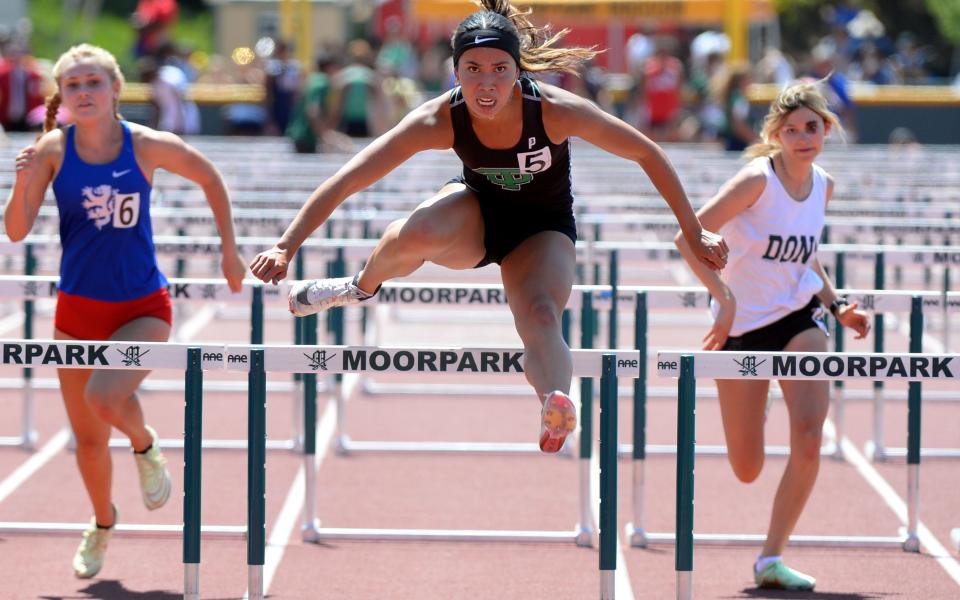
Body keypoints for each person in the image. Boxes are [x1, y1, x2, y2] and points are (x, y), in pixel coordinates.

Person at [250, 0, 727, 454]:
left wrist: (694, 230)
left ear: (518, 71)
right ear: (455, 73)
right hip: (476, 215)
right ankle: (358, 287)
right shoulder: (440, 117)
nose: (486, 85)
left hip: (543, 230)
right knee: (416, 232)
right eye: (472, 70)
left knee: (541, 316)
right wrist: (286, 245)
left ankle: (554, 405)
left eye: (499, 70)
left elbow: (647, 151)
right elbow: (350, 177)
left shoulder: (557, 110)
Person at [2, 43, 246, 578]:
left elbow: (210, 176)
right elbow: (15, 230)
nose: (84, 93)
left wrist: (230, 250)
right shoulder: (52, 150)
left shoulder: (146, 145)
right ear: (62, 96)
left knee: (105, 396)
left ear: (116, 89)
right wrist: (22, 180)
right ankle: (102, 523)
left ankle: (145, 444)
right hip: (76, 311)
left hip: (142, 306)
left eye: (94, 82)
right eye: (73, 85)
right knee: (88, 442)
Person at [673, 80, 870, 591]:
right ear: (776, 136)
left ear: (826, 130)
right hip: (738, 328)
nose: (803, 137)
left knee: (809, 438)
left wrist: (836, 305)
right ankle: (755, 406)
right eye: (792, 130)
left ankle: (770, 558)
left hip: (797, 317)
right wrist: (724, 299)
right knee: (746, 467)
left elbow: (803, 253)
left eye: (812, 127)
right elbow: (687, 237)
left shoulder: (823, 184)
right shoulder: (754, 181)